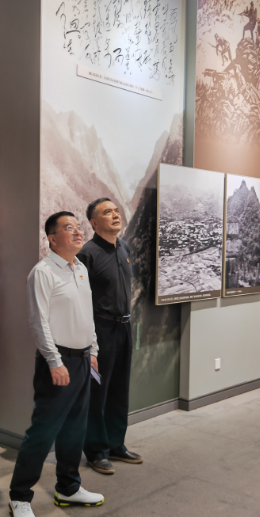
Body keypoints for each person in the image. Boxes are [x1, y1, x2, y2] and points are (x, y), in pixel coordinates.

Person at [8, 211, 104, 517]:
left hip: (82, 359)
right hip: (59, 361)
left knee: (75, 428)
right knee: (43, 431)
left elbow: (87, 315)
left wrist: (93, 351)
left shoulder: (80, 269)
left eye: (78, 227)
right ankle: (20, 496)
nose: (78, 232)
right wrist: (54, 361)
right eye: (68, 228)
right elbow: (39, 322)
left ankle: (68, 487)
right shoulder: (43, 272)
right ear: (52, 238)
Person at [77, 198, 143, 475]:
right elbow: (79, 300)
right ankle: (96, 451)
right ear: (94, 223)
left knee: (119, 390)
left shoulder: (123, 248)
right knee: (97, 392)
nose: (115, 215)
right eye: (107, 212)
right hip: (100, 331)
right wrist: (89, 343)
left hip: (124, 328)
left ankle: (116, 444)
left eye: (116, 210)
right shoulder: (87, 254)